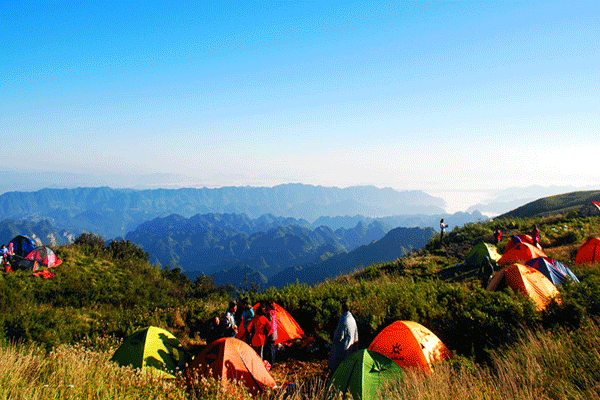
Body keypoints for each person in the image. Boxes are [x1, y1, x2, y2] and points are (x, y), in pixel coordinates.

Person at [328, 301, 359, 372]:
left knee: (339, 366)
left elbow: (339, 336)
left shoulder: (344, 319)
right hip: (351, 347)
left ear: (342, 310)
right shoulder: (352, 319)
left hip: (343, 348)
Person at [263, 300, 278, 366]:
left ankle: (271, 362)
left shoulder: (269, 313)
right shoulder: (274, 312)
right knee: (272, 347)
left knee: (269, 347)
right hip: (275, 331)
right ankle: (272, 362)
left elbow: (269, 324)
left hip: (270, 332)